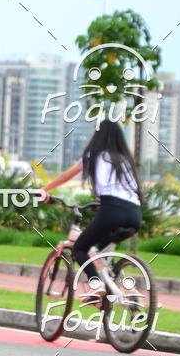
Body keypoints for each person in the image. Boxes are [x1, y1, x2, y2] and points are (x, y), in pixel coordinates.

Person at [40, 120, 142, 299]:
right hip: (134, 214)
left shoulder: (93, 156)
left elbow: (65, 176)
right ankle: (128, 291)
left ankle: (96, 285)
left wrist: (44, 191)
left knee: (80, 248)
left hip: (112, 211)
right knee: (102, 252)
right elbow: (121, 190)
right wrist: (103, 203)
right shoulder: (125, 160)